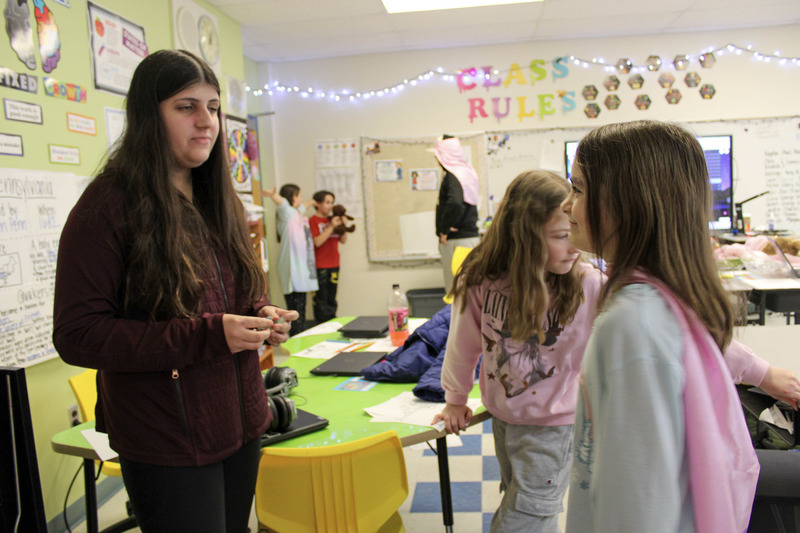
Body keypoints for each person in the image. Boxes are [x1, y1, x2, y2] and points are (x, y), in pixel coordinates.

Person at [432, 169, 800, 533]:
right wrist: (455, 399)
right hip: (504, 418)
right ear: (522, 237)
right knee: (522, 499)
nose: (574, 247)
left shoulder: (588, 284)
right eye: (561, 236)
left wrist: (763, 373)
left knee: (528, 513)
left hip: (553, 427)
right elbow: (462, 345)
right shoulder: (482, 280)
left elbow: (684, 330)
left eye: (573, 232)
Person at [52, 49, 298, 533]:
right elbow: (78, 335)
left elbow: (232, 293)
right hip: (166, 438)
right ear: (149, 115)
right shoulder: (108, 205)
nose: (206, 121)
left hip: (241, 422)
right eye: (186, 107)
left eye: (213, 107)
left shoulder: (217, 197)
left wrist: (260, 313)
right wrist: (211, 335)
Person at [560, 120, 796, 532]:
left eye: (577, 189)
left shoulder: (630, 325)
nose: (566, 204)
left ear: (627, 202)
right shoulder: (664, 299)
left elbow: (637, 506)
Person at [267, 183, 318, 336]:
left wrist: (312, 201)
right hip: (292, 270)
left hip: (301, 270)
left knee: (300, 311)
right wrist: (273, 195)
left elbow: (303, 207)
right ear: (294, 197)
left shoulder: (296, 213)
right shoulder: (287, 213)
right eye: (299, 196)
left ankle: (300, 338)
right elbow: (282, 203)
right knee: (295, 314)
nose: (301, 200)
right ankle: (296, 340)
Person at [433, 134, 480, 290]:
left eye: (437, 154)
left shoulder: (453, 175)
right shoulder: (467, 171)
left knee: (455, 291)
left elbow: (455, 203)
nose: (436, 158)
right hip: (470, 238)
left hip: (456, 241)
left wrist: (445, 229)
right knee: (471, 289)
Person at [308, 190, 347, 324]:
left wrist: (343, 226)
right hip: (320, 265)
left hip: (334, 263)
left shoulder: (333, 219)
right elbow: (317, 242)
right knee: (320, 300)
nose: (331, 206)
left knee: (331, 298)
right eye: (327, 202)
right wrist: (331, 227)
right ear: (318, 204)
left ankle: (332, 324)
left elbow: (343, 240)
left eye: (332, 203)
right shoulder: (313, 220)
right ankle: (321, 325)